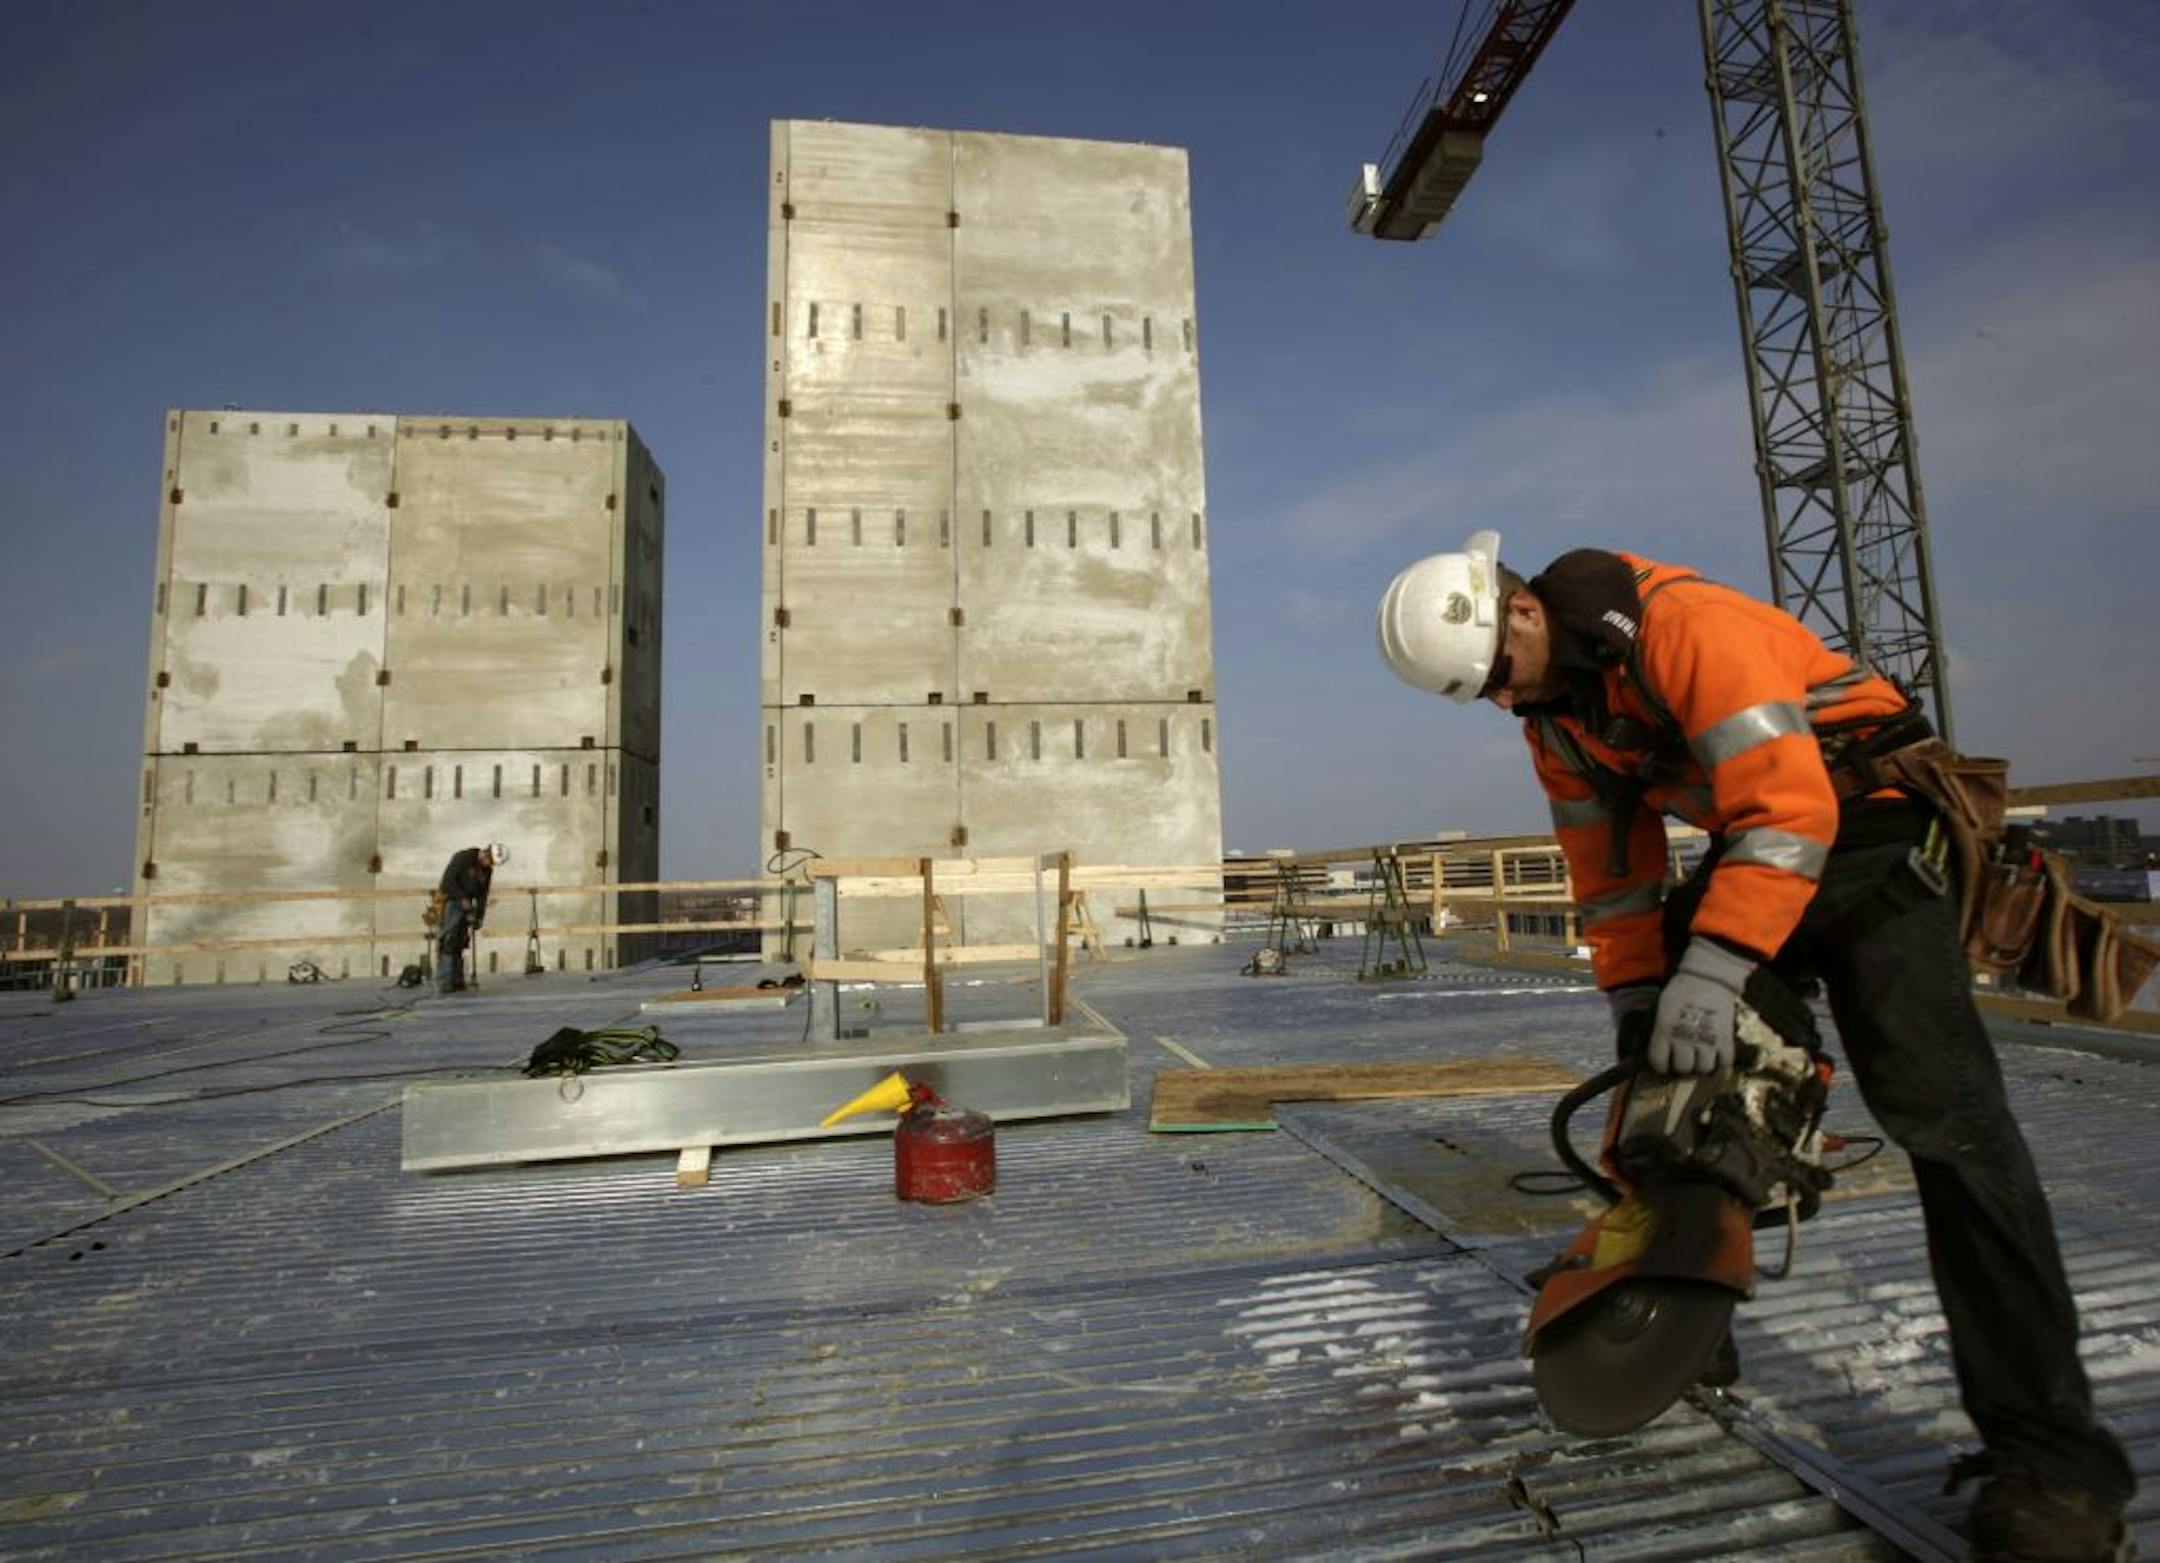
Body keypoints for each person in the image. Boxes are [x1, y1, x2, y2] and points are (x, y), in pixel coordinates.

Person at [1377, 532, 2131, 1561]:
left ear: (1519, 613)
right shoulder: (1555, 715)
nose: (1503, 703)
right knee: (1673, 1091)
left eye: (1500, 679)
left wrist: (1718, 966)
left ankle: (2055, 1468)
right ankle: (1683, 1300)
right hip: (1769, 849)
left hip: (1875, 824)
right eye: (1482, 699)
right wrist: (1640, 1002)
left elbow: (1792, 804)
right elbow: (1609, 876)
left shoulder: (1688, 629)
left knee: (1946, 1121)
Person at [435, 842, 506, 995]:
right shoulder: (463, 858)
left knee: (460, 942)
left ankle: (457, 979)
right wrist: (462, 899)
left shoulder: (487, 870)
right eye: (490, 861)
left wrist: (479, 916)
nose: (490, 866)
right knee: (449, 940)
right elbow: (448, 882)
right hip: (451, 901)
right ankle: (445, 981)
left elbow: (483, 894)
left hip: (467, 904)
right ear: (485, 853)